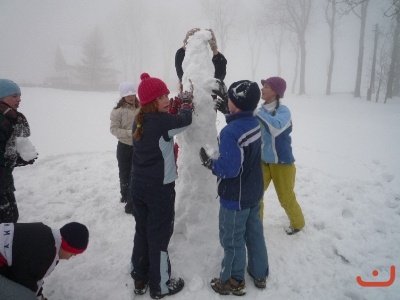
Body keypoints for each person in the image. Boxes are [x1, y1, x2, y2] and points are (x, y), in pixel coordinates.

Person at [199, 80, 269, 296]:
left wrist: (210, 163)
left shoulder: (230, 133)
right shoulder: (254, 122)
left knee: (231, 240)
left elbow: (228, 169)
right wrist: (231, 111)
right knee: (254, 233)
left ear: (236, 104)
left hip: (234, 198)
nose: (226, 100)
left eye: (229, 98)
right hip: (253, 193)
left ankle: (232, 280)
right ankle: (259, 273)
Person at [130, 73, 193, 299]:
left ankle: (139, 276)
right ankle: (160, 286)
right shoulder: (163, 122)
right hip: (159, 189)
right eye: (161, 97)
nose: (166, 99)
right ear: (150, 103)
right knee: (159, 235)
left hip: (138, 185)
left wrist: (172, 107)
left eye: (167, 94)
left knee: (142, 230)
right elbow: (185, 120)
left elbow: (165, 126)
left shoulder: (139, 119)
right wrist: (185, 103)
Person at [255, 76, 305, 235]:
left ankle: (298, 224)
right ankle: (256, 227)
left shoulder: (283, 111)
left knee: (286, 198)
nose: (262, 88)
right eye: (263, 85)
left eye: (267, 86)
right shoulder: (260, 111)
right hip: (263, 162)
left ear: (276, 92)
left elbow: (275, 129)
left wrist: (254, 112)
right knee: (255, 196)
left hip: (282, 163)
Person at [0, 221, 89, 300]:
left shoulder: (45, 233)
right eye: (73, 253)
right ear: (66, 246)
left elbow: (34, 276)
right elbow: (25, 282)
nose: (73, 256)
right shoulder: (47, 252)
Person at [0, 79, 37, 223]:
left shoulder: (10, 118)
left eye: (19, 96)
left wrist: (20, 158)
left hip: (4, 181)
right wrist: (15, 158)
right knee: (6, 222)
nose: (18, 99)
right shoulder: (2, 120)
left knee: (10, 218)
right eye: (14, 96)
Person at [110, 81, 139, 214]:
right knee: (124, 172)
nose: (132, 97)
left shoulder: (141, 108)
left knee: (135, 173)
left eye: (133, 94)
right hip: (123, 147)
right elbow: (113, 129)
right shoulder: (118, 111)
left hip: (138, 147)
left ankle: (133, 197)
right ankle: (125, 194)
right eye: (128, 95)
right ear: (123, 96)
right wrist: (129, 133)